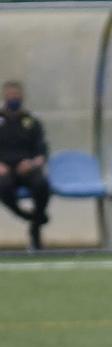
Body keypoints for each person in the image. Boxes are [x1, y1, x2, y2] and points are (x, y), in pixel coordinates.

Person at [0, 80, 51, 251]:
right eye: (10, 95)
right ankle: (29, 216)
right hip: (4, 170)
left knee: (42, 185)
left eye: (16, 95)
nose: (13, 98)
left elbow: (42, 152)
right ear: (4, 96)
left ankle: (35, 231)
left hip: (26, 168)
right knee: (3, 186)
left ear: (22, 97)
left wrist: (32, 162)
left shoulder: (31, 121)